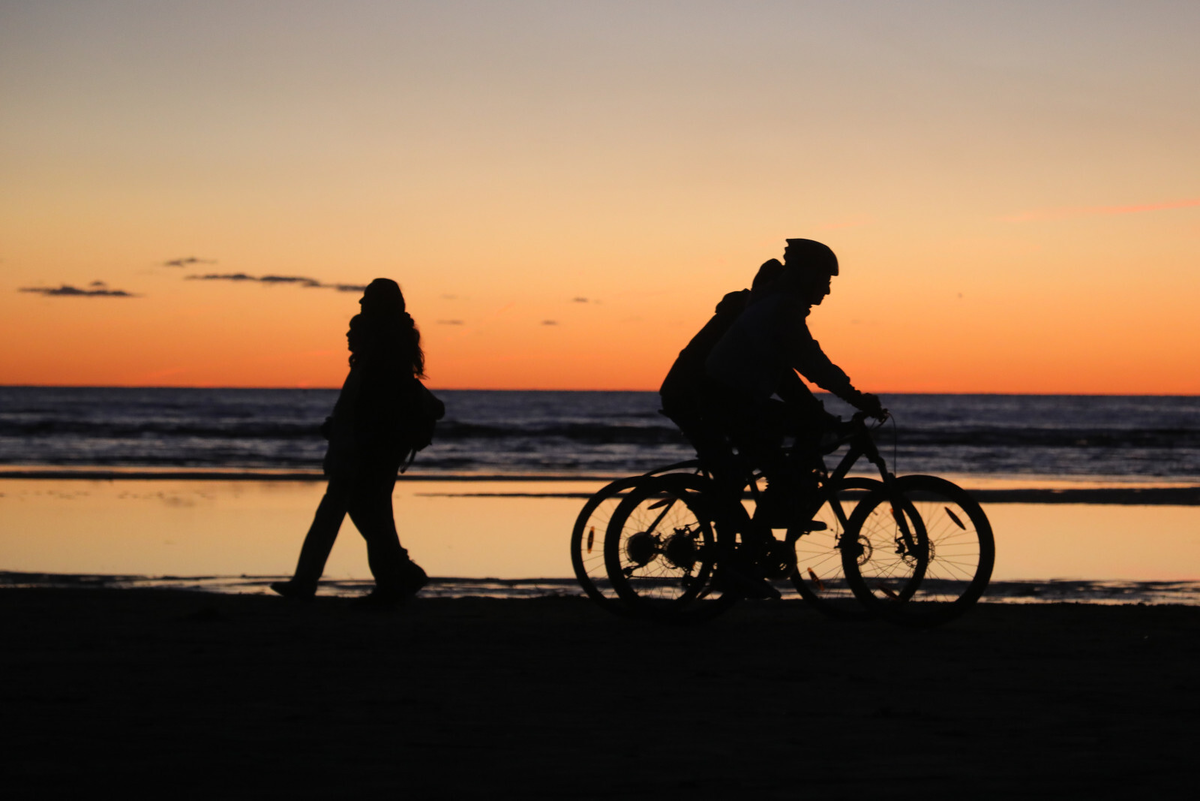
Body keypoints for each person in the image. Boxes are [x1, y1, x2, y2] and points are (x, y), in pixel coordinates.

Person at [271, 279, 436, 607]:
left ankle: (310, 582)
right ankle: (396, 578)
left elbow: (372, 407)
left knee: (344, 514)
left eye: (365, 302)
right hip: (371, 448)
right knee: (370, 518)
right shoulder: (381, 351)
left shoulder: (382, 354)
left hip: (367, 450)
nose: (360, 306)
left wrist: (350, 434)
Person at [705, 239, 884, 528]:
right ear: (807, 275)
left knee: (799, 430)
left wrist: (821, 406)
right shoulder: (783, 309)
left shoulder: (775, 303)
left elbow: (787, 374)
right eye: (825, 280)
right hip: (731, 399)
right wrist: (856, 398)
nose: (826, 289)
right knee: (806, 432)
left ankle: (775, 509)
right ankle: (776, 512)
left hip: (731, 395)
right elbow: (811, 362)